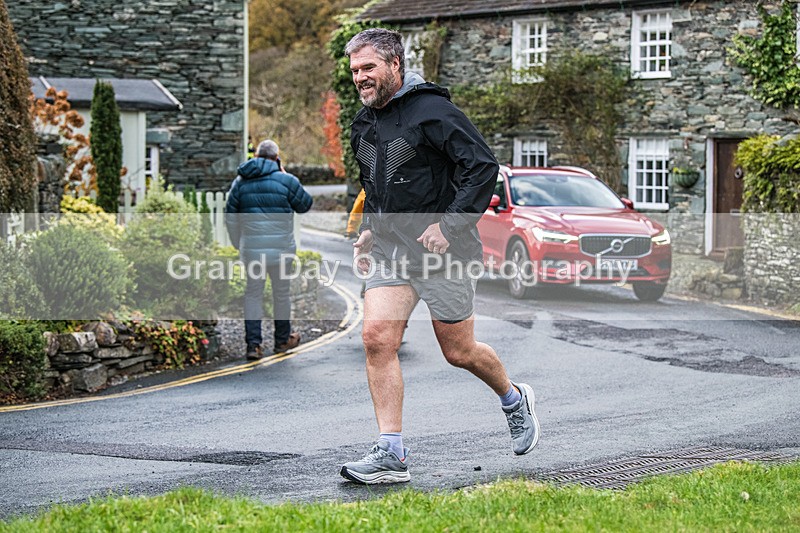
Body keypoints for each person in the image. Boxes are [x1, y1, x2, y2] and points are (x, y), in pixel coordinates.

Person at [339, 28, 540, 485]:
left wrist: (448, 225)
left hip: (443, 254)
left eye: (368, 68)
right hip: (393, 251)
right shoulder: (363, 124)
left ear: (394, 64)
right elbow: (378, 187)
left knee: (459, 351)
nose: (360, 78)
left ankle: (513, 398)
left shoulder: (433, 111)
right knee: (376, 339)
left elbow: (482, 167)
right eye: (354, 71)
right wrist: (369, 231)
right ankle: (391, 453)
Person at [225, 140, 313, 360]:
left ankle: (253, 346)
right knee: (281, 294)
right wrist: (284, 174)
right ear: (277, 157)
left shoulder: (240, 183)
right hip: (282, 251)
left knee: (253, 294)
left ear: (255, 156)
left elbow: (230, 217)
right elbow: (305, 205)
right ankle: (282, 340)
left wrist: (239, 244)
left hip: (252, 251)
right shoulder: (286, 181)